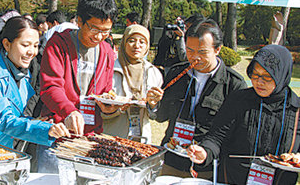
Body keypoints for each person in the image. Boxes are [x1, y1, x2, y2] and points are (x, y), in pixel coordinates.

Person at [149, 18, 247, 178]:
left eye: (202, 52)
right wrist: (153, 104)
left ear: (217, 49)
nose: (195, 57)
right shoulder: (176, 74)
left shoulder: (233, 84)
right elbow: (161, 117)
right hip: (171, 160)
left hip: (206, 168)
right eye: (189, 50)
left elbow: (234, 132)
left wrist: (207, 151)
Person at [188, 44, 300, 184]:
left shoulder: (296, 110)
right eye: (255, 74)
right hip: (234, 179)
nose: (259, 82)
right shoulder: (238, 100)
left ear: (282, 76)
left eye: (267, 77)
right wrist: (205, 152)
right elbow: (217, 137)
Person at [0, 16, 70, 148]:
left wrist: (37, 122)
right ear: (7, 44)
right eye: (25, 45)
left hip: (1, 149)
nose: (31, 52)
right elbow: (4, 119)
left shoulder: (24, 73)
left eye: (35, 46)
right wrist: (43, 129)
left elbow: (16, 116)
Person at [38, 0, 118, 173]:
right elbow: (50, 86)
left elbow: (105, 90)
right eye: (94, 29)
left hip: (89, 137)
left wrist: (108, 105)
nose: (99, 36)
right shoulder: (59, 44)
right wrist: (69, 111)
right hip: (58, 134)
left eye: (105, 31)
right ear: (80, 21)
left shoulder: (106, 51)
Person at [102, 24, 163, 144]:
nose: (137, 46)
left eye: (142, 42)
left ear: (147, 46)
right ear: (124, 43)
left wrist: (153, 105)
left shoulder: (153, 72)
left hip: (141, 139)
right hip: (113, 136)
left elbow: (155, 115)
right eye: (132, 40)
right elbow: (99, 107)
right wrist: (113, 109)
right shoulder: (109, 69)